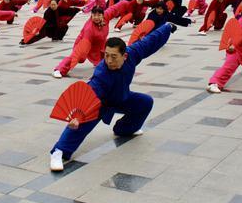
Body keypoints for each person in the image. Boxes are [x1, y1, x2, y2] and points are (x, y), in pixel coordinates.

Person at [49, 23, 176, 171]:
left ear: (125, 55)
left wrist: (167, 27)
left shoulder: (133, 53)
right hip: (99, 104)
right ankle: (59, 152)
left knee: (145, 102)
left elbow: (150, 41)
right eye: (106, 55)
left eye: (114, 57)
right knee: (80, 125)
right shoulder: (101, 74)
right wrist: (77, 115)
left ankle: (124, 129)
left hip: (122, 98)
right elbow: (91, 92)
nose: (109, 60)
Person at [52, 2, 130, 78]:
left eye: (99, 15)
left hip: (100, 43)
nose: (96, 17)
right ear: (91, 15)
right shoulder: (89, 29)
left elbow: (114, 8)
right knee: (77, 58)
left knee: (108, 52)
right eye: (94, 15)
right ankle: (59, 69)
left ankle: (111, 68)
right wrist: (81, 56)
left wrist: (126, 3)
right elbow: (85, 45)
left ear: (103, 15)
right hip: (85, 42)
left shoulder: (106, 16)